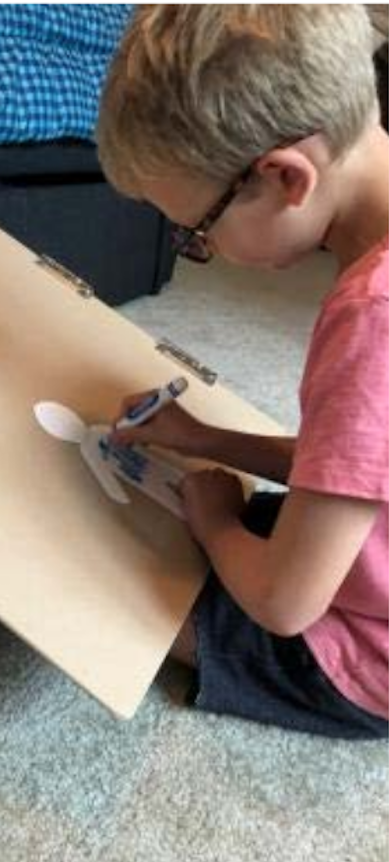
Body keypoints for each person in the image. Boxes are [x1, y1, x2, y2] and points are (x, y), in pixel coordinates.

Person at [97, 4, 388, 738]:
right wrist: (203, 438)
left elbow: (285, 604)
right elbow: (362, 461)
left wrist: (218, 522)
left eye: (197, 230)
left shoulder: (373, 320)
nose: (202, 248)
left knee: (102, 580)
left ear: (286, 178)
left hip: (367, 654)